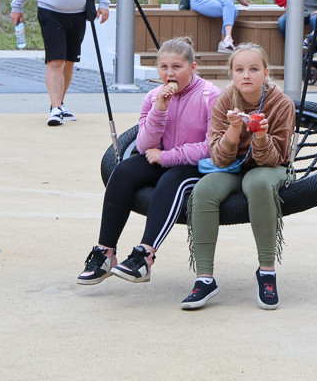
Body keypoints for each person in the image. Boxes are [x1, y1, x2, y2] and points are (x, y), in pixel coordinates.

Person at [77, 37, 222, 285]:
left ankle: (145, 255)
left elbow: (212, 147)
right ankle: (105, 252)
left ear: (193, 68)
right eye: (163, 67)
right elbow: (144, 145)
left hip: (195, 165)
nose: (169, 73)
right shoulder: (154, 96)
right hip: (160, 156)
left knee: (171, 180)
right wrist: (160, 109)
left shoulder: (212, 96)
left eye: (177, 67)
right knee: (123, 171)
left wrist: (168, 157)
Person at [182, 43, 297, 310]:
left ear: (266, 73)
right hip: (232, 167)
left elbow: (273, 158)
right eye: (240, 69)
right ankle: (204, 277)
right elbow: (219, 158)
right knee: (204, 190)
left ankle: (267, 271)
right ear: (232, 74)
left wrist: (259, 135)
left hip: (269, 166)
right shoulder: (224, 101)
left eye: (254, 69)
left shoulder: (281, 104)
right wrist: (234, 131)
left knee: (257, 183)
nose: (246, 75)